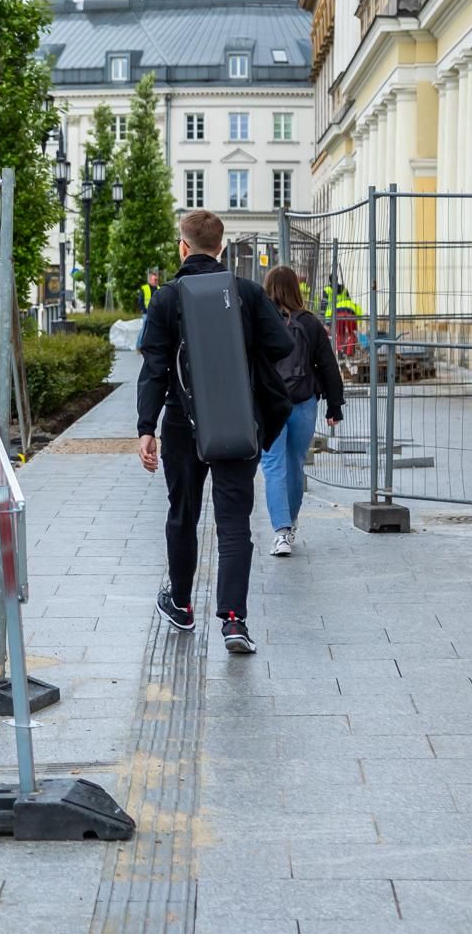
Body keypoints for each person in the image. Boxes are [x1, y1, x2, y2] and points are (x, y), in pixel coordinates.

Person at [137, 209, 295, 655]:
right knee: (233, 522)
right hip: (236, 423)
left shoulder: (167, 298)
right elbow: (281, 344)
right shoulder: (244, 292)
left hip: (183, 425)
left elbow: (154, 367)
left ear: (182, 247)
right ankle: (233, 620)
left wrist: (146, 428)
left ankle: (182, 604)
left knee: (182, 514)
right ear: (221, 248)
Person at [261, 266, 346, 557]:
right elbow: (328, 365)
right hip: (303, 402)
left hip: (268, 404)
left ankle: (281, 533)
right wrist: (334, 406)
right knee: (295, 465)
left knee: (273, 466)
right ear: (296, 290)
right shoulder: (310, 323)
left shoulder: (261, 322)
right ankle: (292, 522)